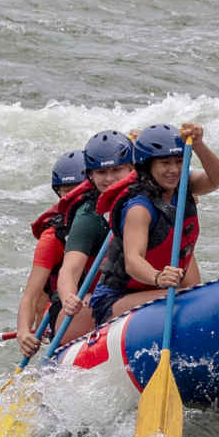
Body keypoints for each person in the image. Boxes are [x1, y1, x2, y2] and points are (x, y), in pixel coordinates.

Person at [88, 122, 219, 325]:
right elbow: (133, 261)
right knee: (193, 303)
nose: (173, 170)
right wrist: (158, 277)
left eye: (179, 161)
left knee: (199, 300)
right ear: (148, 165)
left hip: (161, 292)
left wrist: (198, 145)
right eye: (165, 163)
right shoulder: (139, 207)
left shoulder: (183, 185)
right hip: (117, 300)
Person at [51, 129, 138, 342]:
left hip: (135, 291)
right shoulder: (89, 215)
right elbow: (69, 269)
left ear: (131, 168)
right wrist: (69, 297)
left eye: (116, 170)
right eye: (101, 173)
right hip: (93, 301)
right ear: (90, 175)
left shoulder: (149, 196)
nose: (109, 179)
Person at [15, 149, 88, 357]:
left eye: (80, 189)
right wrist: (22, 332)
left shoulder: (112, 217)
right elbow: (30, 295)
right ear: (59, 193)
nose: (74, 196)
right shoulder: (53, 237)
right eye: (67, 190)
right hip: (67, 309)